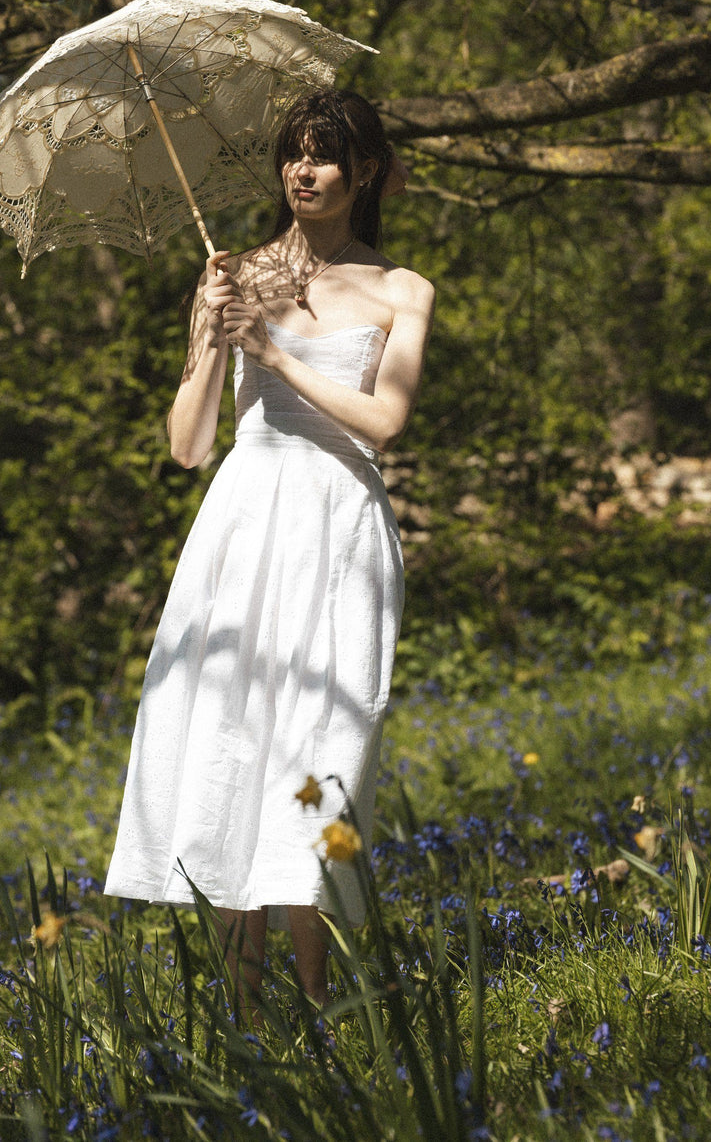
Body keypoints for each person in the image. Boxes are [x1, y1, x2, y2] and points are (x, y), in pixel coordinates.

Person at [104, 88, 434, 1011]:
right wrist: (213, 333)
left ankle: (328, 1003)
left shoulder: (402, 290)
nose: (303, 169)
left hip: (340, 527)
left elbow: (387, 420)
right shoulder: (234, 274)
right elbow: (187, 444)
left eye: (324, 154)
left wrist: (279, 354)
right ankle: (247, 1015)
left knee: (327, 748)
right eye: (292, 153)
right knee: (234, 737)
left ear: (363, 170)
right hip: (245, 520)